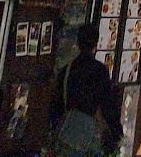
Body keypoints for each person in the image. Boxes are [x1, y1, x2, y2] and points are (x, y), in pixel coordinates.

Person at [51, 24, 123, 155]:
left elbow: (57, 105)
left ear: (78, 42)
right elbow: (107, 104)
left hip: (67, 135)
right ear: (96, 44)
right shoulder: (100, 71)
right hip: (91, 139)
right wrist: (117, 132)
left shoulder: (66, 71)